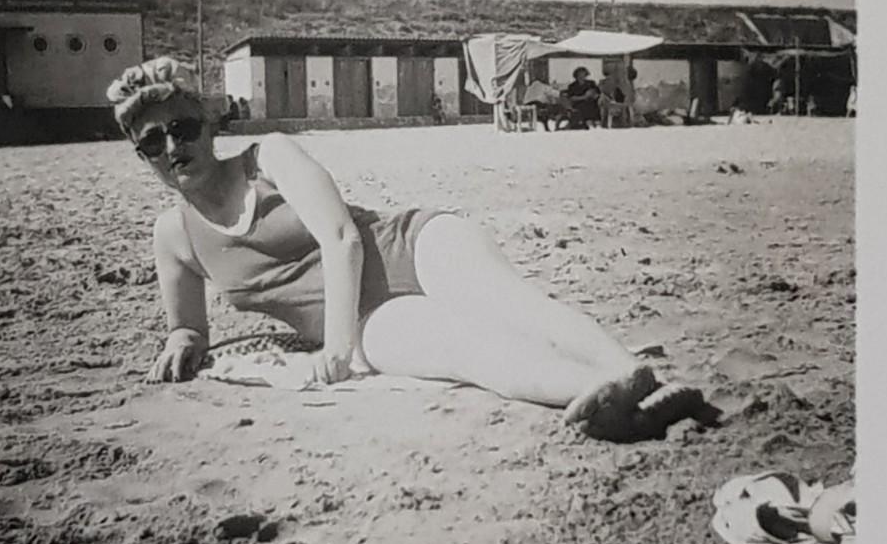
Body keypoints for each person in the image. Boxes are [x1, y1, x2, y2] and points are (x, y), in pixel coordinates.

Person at [108, 58, 699, 439]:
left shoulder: (271, 157)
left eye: (183, 128)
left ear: (210, 126)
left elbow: (341, 239)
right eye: (152, 141)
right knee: (471, 354)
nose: (172, 147)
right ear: (140, 154)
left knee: (513, 306)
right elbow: (188, 328)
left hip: (409, 245)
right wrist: (182, 340)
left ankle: (629, 371)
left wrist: (337, 352)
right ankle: (597, 395)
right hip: (369, 316)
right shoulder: (175, 235)